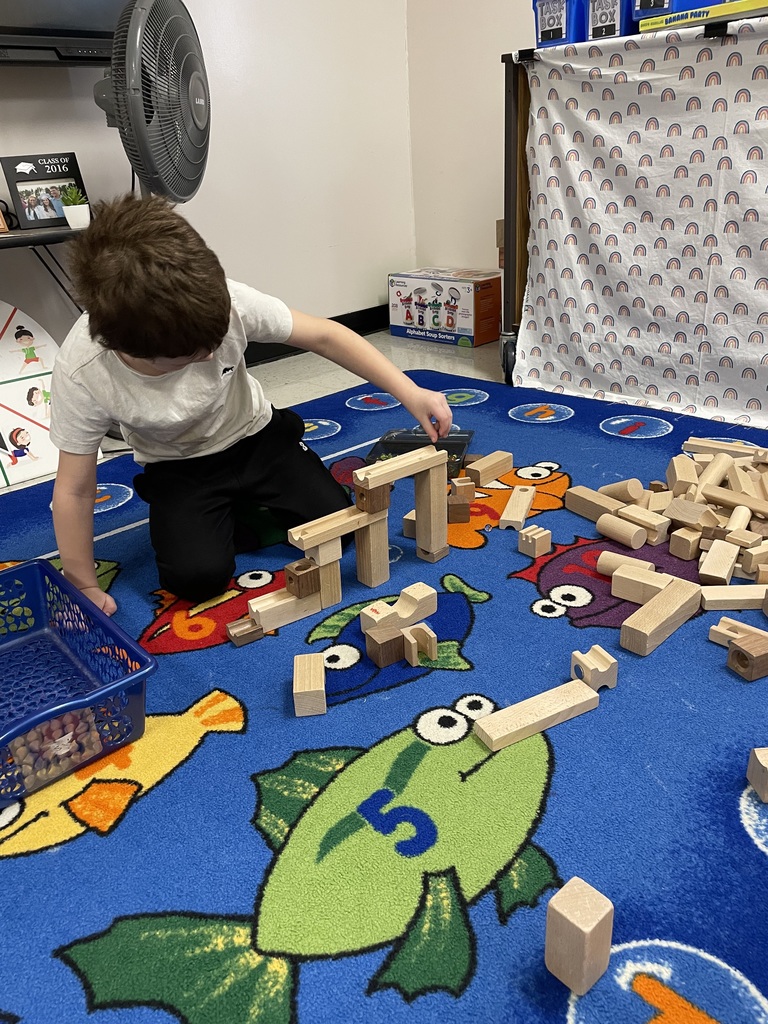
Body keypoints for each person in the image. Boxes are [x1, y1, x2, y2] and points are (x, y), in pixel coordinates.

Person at [50, 194, 453, 617]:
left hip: (257, 435)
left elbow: (326, 336)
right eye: (190, 356)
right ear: (128, 348)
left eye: (215, 341)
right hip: (179, 465)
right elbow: (75, 489)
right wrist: (82, 583)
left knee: (341, 528)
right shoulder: (84, 370)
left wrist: (412, 392)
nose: (210, 356)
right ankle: (236, 512)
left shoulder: (227, 302)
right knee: (195, 580)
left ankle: (248, 506)